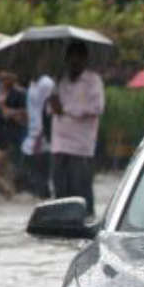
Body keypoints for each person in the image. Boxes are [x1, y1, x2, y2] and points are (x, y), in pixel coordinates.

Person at [48, 40, 105, 215]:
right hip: (59, 143)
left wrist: (66, 110)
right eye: (70, 58)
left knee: (81, 192)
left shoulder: (93, 81)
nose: (73, 62)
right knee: (60, 193)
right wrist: (53, 103)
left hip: (81, 146)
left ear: (84, 59)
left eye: (77, 58)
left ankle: (87, 223)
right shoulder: (60, 80)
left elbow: (97, 108)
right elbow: (52, 110)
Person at [20, 66, 56, 198]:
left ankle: (46, 201)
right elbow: (33, 110)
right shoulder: (32, 83)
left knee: (42, 178)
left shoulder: (46, 84)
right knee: (32, 178)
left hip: (42, 138)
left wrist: (40, 136)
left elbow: (48, 111)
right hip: (31, 137)